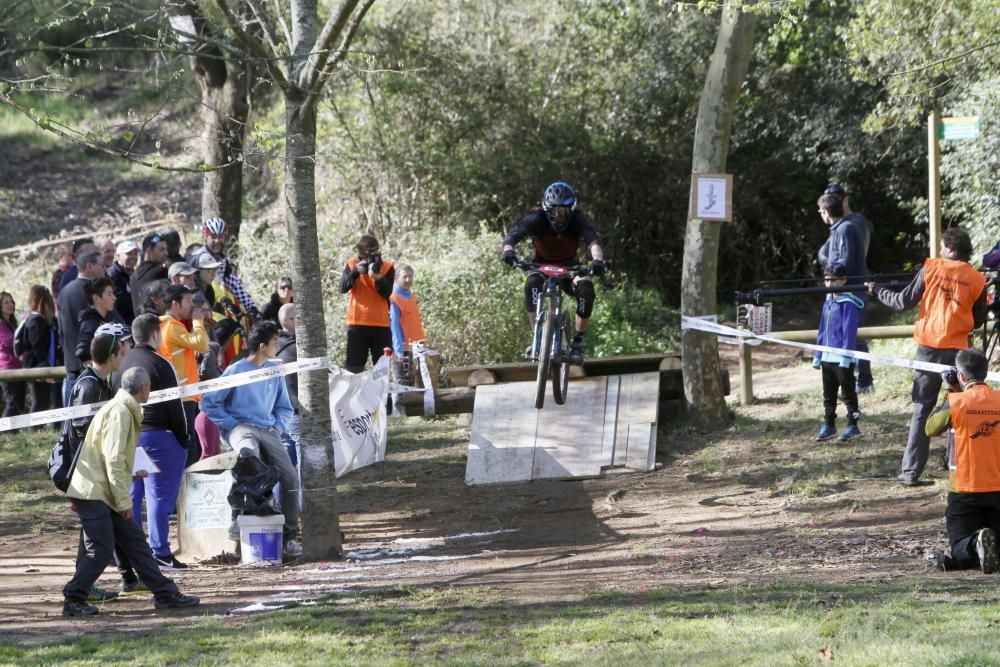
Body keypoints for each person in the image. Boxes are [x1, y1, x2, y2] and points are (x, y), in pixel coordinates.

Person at [61, 365, 199, 617]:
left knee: (136, 544)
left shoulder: (121, 408)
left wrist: (131, 473)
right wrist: (124, 501)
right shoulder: (121, 413)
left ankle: (165, 594)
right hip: (94, 492)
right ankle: (73, 597)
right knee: (101, 551)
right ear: (145, 389)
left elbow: (112, 455)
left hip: (102, 490)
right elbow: (113, 458)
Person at [868, 227, 988, 486]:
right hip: (959, 351)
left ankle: (911, 472)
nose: (940, 251)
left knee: (922, 408)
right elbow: (978, 319)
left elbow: (903, 301)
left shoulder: (931, 268)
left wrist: (877, 290)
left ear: (951, 248)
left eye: (943, 246)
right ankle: (953, 462)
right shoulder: (977, 279)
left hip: (928, 348)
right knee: (956, 407)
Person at [201, 321, 299, 552]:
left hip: (268, 429)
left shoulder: (274, 371)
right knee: (248, 458)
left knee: (291, 478)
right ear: (263, 346)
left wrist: (278, 426)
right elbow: (209, 402)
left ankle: (290, 535)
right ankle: (238, 518)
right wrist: (231, 424)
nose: (278, 345)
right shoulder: (235, 371)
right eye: (275, 341)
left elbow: (285, 407)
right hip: (241, 428)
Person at [62, 325, 144, 597]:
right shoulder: (88, 385)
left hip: (99, 471)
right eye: (121, 352)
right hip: (87, 471)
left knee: (104, 526)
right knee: (98, 532)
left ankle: (123, 577)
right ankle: (83, 586)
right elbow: (80, 434)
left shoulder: (105, 382)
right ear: (111, 357)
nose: (124, 357)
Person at [501, 181, 606, 365]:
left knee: (586, 290)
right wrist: (508, 251)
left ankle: (577, 344)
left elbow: (593, 243)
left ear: (571, 209)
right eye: (555, 211)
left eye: (564, 211)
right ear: (547, 209)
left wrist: (597, 260)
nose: (559, 216)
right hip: (541, 266)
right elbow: (512, 236)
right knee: (531, 286)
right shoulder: (536, 218)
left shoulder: (578, 220)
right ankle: (537, 337)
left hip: (570, 267)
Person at [117, 313, 190, 570]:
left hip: (129, 436)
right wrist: (184, 438)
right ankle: (160, 550)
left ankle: (135, 552)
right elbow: (175, 406)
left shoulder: (122, 362)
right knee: (159, 495)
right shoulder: (162, 363)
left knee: (134, 495)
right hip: (159, 435)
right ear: (155, 334)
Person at [926, 349, 1000, 573]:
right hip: (998, 487)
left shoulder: (957, 402)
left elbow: (931, 428)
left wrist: (949, 392)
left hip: (965, 489)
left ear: (961, 376)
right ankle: (986, 545)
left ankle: (974, 544)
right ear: (985, 373)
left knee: (959, 546)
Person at [816, 190, 875, 393]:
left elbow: (846, 262)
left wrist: (833, 274)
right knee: (845, 335)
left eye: (820, 211)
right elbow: (825, 254)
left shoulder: (847, 228)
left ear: (826, 211)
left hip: (851, 291)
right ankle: (851, 380)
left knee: (854, 335)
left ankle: (865, 381)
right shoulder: (839, 228)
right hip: (843, 290)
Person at [158, 285, 209, 466]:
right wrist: (198, 323)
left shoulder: (163, 325)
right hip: (183, 397)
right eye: (188, 301)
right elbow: (202, 344)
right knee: (190, 451)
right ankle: (185, 493)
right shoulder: (172, 326)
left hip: (181, 395)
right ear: (175, 304)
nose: (192, 305)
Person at [812, 264, 864, 441]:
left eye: (834, 279)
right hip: (827, 357)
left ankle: (852, 425)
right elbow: (821, 330)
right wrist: (818, 355)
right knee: (828, 394)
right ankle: (829, 424)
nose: (829, 282)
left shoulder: (848, 303)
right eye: (827, 279)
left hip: (843, 359)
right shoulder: (828, 301)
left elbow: (849, 331)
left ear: (843, 280)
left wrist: (845, 356)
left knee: (848, 393)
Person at [339, 234, 395, 373]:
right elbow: (342, 288)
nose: (370, 259)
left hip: (381, 324)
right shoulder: (352, 264)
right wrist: (355, 273)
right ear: (359, 254)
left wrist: (378, 278)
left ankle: (384, 395)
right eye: (366, 255)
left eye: (374, 254)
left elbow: (387, 293)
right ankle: (355, 395)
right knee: (354, 368)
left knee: (382, 369)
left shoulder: (387, 267)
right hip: (357, 324)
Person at [58, 250, 106, 407]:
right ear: (89, 267)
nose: (105, 269)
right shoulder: (95, 292)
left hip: (71, 362)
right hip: (92, 362)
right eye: (102, 265)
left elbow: (61, 329)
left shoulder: (64, 291)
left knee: (73, 420)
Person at [198, 217, 258, 317]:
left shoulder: (222, 260)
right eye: (213, 237)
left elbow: (236, 285)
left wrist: (252, 308)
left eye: (221, 237)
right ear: (206, 237)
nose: (217, 241)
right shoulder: (198, 258)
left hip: (217, 307)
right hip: (201, 310)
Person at [21, 285, 59, 416]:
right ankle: (34, 431)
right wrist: (44, 369)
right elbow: (37, 347)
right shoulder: (35, 321)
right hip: (37, 368)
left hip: (44, 366)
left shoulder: (43, 320)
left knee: (44, 402)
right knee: (39, 402)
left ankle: (38, 431)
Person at [389, 263, 427, 385]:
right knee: (401, 387)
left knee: (417, 388)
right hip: (402, 350)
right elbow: (394, 326)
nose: (408, 280)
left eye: (410, 276)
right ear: (396, 279)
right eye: (404, 276)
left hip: (417, 348)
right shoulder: (394, 298)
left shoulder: (411, 296)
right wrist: (399, 351)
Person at [76, 277, 126, 367]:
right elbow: (83, 354)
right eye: (109, 294)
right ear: (96, 298)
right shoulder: (90, 324)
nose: (114, 298)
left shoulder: (103, 321)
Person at [276, 303, 299, 466]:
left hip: (277, 412)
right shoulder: (297, 348)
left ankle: (281, 492)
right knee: (302, 460)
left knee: (285, 463)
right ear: (291, 320)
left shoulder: (273, 344)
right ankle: (301, 493)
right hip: (295, 411)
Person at [130, 232, 168, 316]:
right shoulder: (160, 272)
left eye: (166, 249)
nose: (166, 253)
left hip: (142, 325)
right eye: (161, 250)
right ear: (149, 251)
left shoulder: (133, 276)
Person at [0, 291, 26, 418]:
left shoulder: (13, 323)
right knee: (12, 403)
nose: (10, 305)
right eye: (6, 302)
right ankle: (4, 434)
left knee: (19, 404)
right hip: (8, 370)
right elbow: (8, 342)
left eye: (11, 302)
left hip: (19, 368)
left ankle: (14, 435)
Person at [107, 240, 139, 325]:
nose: (133, 257)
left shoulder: (134, 274)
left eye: (135, 254)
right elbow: (119, 303)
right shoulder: (112, 275)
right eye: (128, 254)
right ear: (118, 256)